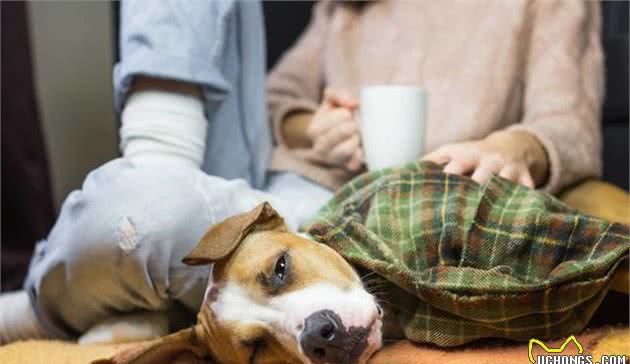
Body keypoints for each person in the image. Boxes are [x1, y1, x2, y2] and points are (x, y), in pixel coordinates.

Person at [0, 0, 332, 343]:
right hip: (269, 173)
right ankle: (155, 178)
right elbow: (280, 97)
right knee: (157, 214)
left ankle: (61, 307)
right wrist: (315, 125)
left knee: (154, 218)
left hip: (338, 196)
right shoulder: (346, 13)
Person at [267, 0, 603, 194]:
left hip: (447, 200)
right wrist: (317, 128)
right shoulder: (342, 8)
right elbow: (271, 99)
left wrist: (511, 149)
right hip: (321, 186)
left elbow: (570, 126)